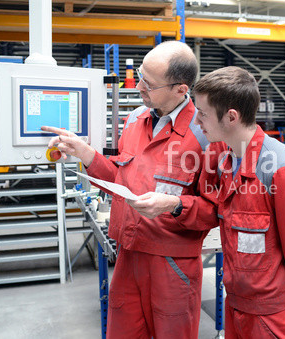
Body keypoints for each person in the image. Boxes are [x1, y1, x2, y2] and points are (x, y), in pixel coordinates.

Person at [41, 41, 218, 339]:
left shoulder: (206, 134)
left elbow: (215, 211)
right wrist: (86, 153)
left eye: (148, 83)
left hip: (172, 265)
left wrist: (174, 204)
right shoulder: (135, 119)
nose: (138, 87)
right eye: (140, 75)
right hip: (127, 257)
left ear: (180, 89)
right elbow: (120, 180)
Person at [149, 66, 285, 338]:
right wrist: (173, 204)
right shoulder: (227, 162)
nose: (196, 123)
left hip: (272, 314)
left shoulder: (280, 169)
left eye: (202, 114)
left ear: (231, 116)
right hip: (236, 303)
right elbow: (214, 212)